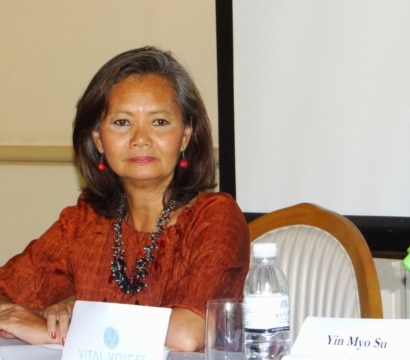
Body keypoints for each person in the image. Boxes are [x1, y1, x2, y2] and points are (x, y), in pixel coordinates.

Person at [0, 46, 250, 352]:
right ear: (98, 141)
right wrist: (46, 313)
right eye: (121, 122)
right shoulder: (82, 223)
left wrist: (70, 323)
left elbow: (187, 334)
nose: (140, 138)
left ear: (185, 136)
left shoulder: (214, 217)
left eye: (159, 122)